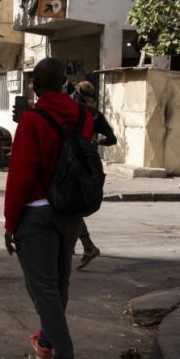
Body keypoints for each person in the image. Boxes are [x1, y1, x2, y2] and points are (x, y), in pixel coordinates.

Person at [4, 57, 93, 359]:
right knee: (59, 284)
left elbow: (21, 175)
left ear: (37, 86)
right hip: (69, 212)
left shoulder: (32, 119)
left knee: (43, 290)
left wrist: (10, 221)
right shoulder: (84, 116)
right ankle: (45, 344)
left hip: (36, 213)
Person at [71, 80, 116, 270]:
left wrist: (94, 143)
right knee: (70, 205)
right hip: (87, 165)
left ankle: (86, 246)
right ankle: (77, 245)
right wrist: (95, 143)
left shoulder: (76, 111)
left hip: (73, 164)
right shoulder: (94, 114)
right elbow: (112, 138)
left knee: (69, 206)